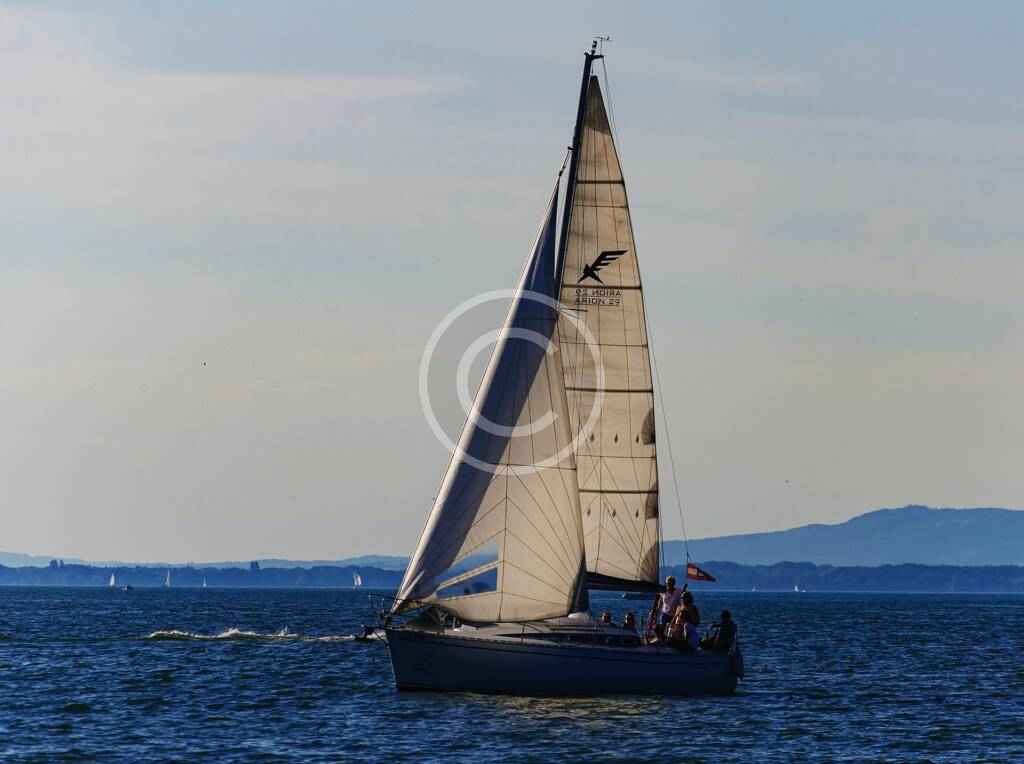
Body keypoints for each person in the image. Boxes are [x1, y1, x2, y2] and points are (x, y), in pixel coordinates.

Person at [652, 576, 683, 642]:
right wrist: (656, 612)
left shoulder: (678, 591)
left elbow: (681, 603)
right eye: (668, 583)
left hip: (675, 614)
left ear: (674, 584)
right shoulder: (663, 592)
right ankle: (662, 640)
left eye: (671, 583)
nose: (669, 585)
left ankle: (672, 641)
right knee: (661, 628)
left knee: (673, 629)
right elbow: (660, 602)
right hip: (665, 613)